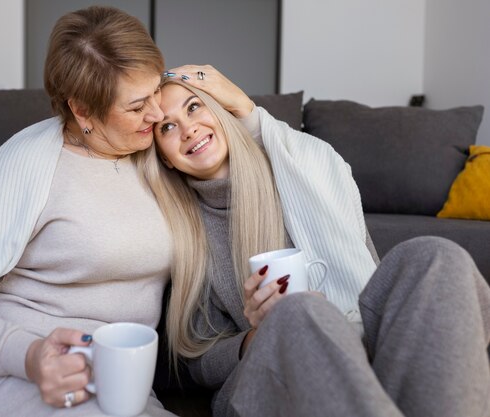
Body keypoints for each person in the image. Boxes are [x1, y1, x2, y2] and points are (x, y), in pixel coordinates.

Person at [139, 66, 490, 417]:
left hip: (360, 342)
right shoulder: (183, 229)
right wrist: (257, 334)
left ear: (220, 111)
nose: (188, 129)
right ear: (165, 159)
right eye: (167, 127)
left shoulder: (298, 171)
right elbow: (199, 360)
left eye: (194, 107)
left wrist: (246, 108)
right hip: (267, 377)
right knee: (299, 311)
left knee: (435, 255)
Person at [0, 7, 178, 417]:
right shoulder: (27, 164)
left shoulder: (157, 152)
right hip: (16, 371)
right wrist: (30, 355)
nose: (158, 113)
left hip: (116, 376)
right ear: (82, 110)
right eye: (135, 106)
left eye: (156, 90)